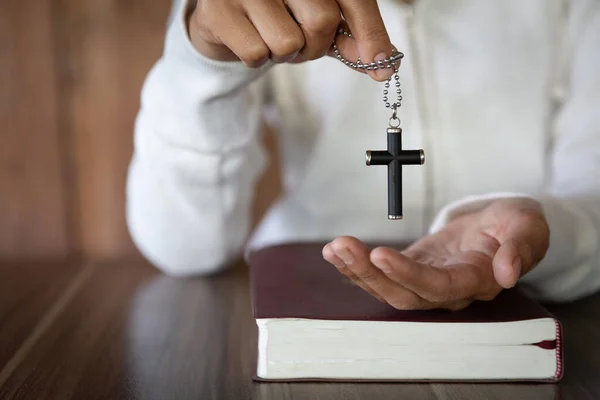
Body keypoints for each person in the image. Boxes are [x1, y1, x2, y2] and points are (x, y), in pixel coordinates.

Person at [126, 0, 600, 310]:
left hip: (533, 295)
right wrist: (203, 68)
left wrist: (553, 230)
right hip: (311, 285)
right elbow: (184, 248)